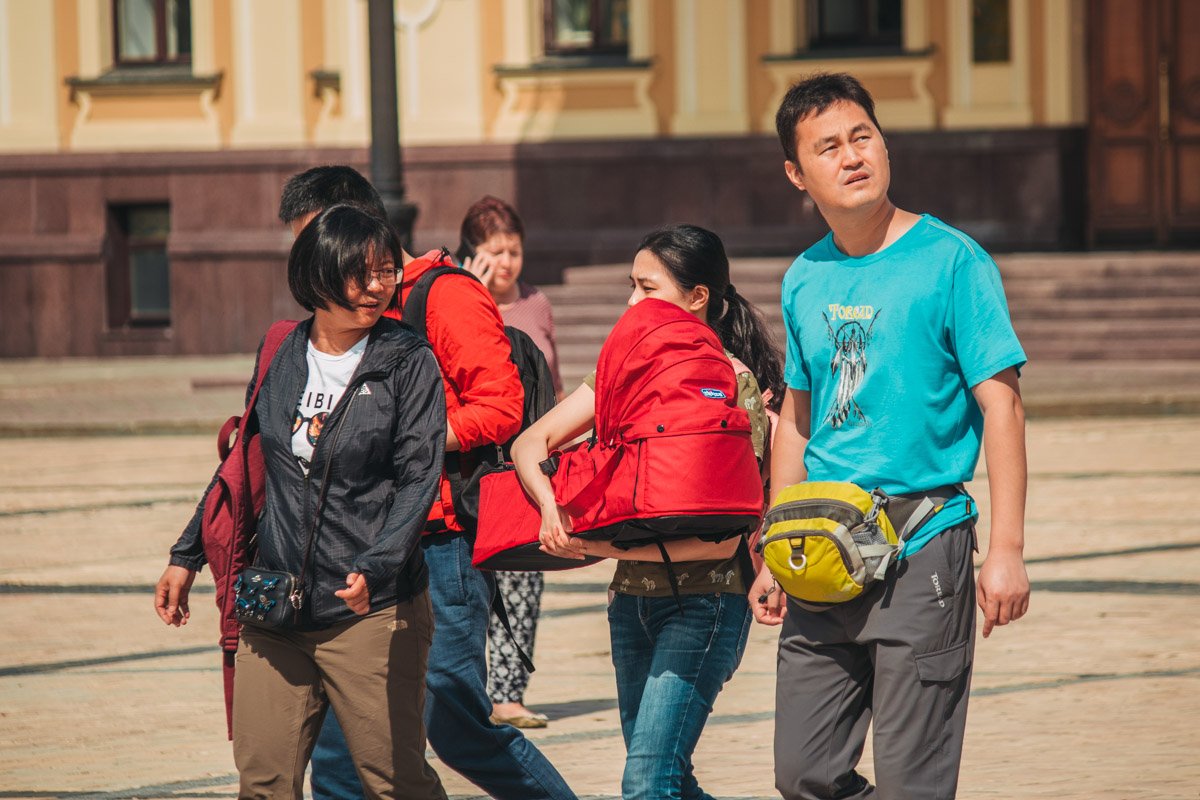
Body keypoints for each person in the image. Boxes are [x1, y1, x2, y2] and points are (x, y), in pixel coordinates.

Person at [750, 72, 1030, 800]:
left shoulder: (951, 260)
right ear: (796, 173)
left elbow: (1002, 406)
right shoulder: (805, 277)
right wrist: (773, 549)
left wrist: (1005, 551)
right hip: (821, 545)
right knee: (803, 772)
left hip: (922, 543)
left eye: (862, 137)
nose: (851, 157)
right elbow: (797, 422)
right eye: (828, 147)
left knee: (914, 781)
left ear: (884, 143)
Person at [278, 168, 578, 800]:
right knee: (342, 747)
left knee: (456, 721)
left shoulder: (444, 296)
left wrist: (400, 440)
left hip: (442, 546)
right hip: (367, 544)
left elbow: (500, 407)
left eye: (316, 244)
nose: (310, 270)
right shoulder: (353, 310)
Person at [154, 204, 449, 800]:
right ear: (317, 274)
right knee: (263, 782)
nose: (377, 287)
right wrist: (186, 555)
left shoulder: (407, 362)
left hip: (368, 609)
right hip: (276, 608)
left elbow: (420, 476)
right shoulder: (282, 352)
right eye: (360, 273)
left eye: (387, 272)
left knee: (396, 782)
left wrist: (377, 565)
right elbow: (244, 464)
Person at [510, 224, 783, 800]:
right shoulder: (620, 375)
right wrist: (552, 507)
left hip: (705, 605)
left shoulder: (735, 383)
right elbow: (529, 446)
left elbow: (720, 542)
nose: (632, 301)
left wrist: (589, 545)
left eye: (646, 287)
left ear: (697, 297)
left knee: (646, 781)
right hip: (630, 603)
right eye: (630, 286)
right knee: (669, 780)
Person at [459, 195, 561, 729]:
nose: (506, 262)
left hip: (531, 458)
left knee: (526, 576)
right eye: (493, 251)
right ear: (472, 253)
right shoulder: (460, 303)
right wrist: (469, 288)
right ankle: (469, 690)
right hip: (477, 464)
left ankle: (509, 694)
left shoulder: (537, 304)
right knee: (472, 583)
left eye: (513, 250)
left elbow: (555, 378)